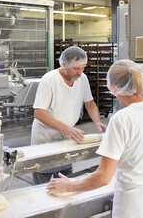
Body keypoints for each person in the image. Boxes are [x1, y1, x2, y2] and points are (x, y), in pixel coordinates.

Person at [46, 60, 143, 217]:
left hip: (136, 204)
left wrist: (70, 186)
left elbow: (103, 178)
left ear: (111, 87)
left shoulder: (122, 119)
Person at [31, 46, 107, 185]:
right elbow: (39, 113)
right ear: (64, 64)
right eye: (76, 69)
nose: (80, 72)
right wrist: (67, 129)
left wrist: (97, 122)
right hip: (46, 137)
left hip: (67, 137)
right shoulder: (49, 80)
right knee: (42, 184)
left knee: (67, 180)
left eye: (82, 68)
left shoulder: (82, 79)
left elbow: (89, 103)